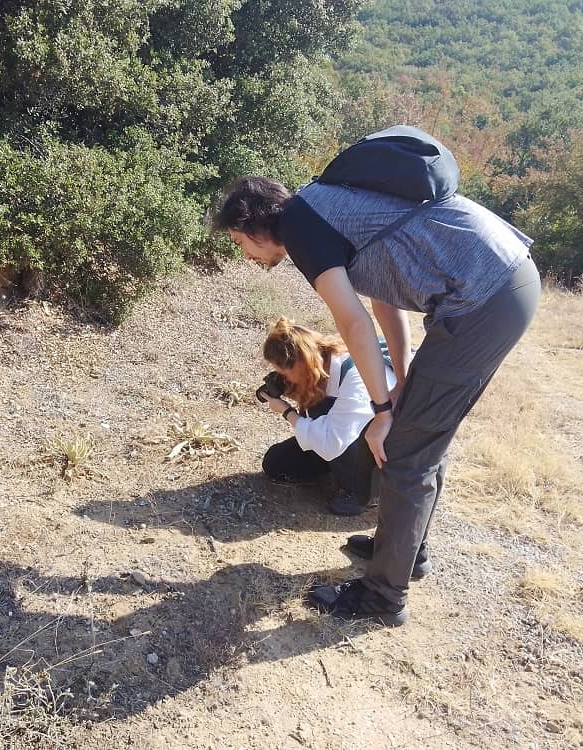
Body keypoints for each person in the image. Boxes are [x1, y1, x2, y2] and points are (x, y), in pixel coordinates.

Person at [211, 169, 541, 627]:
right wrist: (401, 382)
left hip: (485, 295)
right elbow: (387, 299)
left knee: (407, 451)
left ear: (252, 226)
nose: (245, 255)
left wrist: (383, 411)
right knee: (419, 434)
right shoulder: (326, 210)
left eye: (239, 243)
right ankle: (405, 553)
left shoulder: (301, 227)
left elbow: (353, 325)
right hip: (499, 282)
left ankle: (383, 597)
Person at [257, 317, 394, 516]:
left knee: (322, 414)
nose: (284, 379)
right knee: (275, 464)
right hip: (341, 435)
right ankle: (338, 471)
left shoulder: (356, 377)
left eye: (284, 374)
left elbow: (332, 441)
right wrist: (290, 390)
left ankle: (366, 493)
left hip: (383, 446)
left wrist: (287, 412)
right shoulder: (320, 362)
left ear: (302, 362)